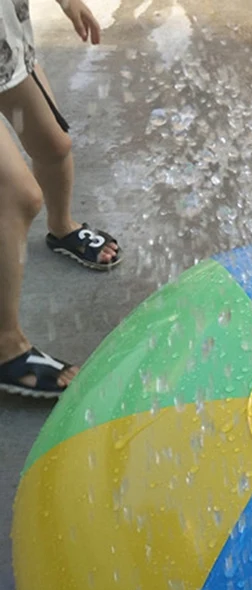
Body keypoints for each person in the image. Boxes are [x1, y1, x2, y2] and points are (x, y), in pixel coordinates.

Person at [0, 0, 121, 399]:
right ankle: (5, 346)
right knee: (17, 195)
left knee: (53, 145)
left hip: (6, 43)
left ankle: (62, 227)